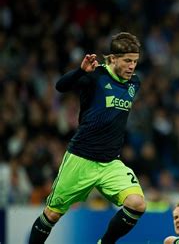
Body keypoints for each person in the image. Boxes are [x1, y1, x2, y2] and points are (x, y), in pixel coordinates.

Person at [28, 32, 147, 244]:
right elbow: (60, 86)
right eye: (127, 61)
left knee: (137, 203)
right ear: (112, 58)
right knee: (52, 214)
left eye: (135, 61)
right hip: (81, 158)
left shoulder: (134, 83)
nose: (132, 66)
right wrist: (80, 71)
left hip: (110, 162)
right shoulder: (95, 75)